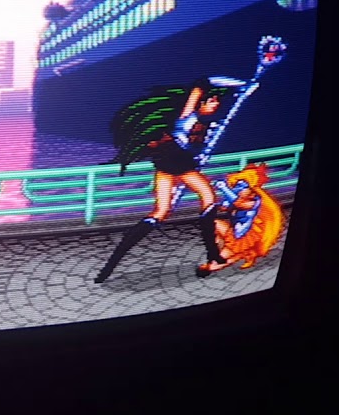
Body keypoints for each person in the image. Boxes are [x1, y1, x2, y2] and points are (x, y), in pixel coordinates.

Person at [93, 77, 245, 283]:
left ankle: (108, 268)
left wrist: (198, 153)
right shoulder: (188, 115)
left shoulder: (204, 122)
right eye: (212, 102)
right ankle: (212, 253)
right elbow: (201, 83)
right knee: (208, 199)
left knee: (161, 212)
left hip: (171, 165)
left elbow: (195, 145)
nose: (215, 105)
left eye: (217, 102)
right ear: (201, 102)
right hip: (177, 164)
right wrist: (238, 84)